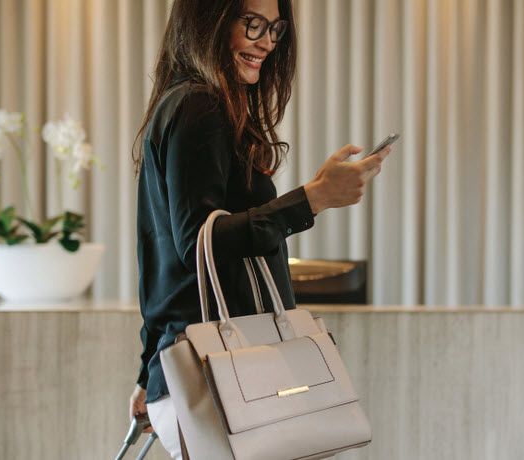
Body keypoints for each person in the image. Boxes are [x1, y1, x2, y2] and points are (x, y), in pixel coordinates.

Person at [127, 0, 391, 457]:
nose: (267, 41)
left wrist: (148, 373)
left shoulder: (185, 103)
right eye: (252, 23)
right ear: (209, 19)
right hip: (216, 376)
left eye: (274, 28)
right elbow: (198, 244)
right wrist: (313, 198)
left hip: (202, 372)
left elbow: (162, 263)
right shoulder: (200, 105)